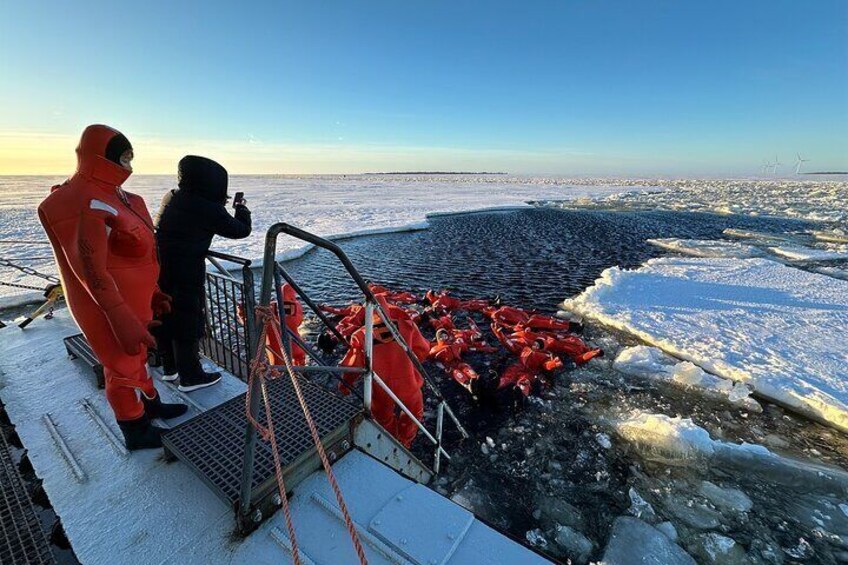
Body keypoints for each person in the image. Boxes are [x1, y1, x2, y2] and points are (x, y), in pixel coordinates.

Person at [37, 125, 187, 450]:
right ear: (99, 156)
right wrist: (120, 317)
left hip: (137, 301)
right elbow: (89, 271)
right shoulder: (73, 201)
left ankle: (150, 402)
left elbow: (142, 253)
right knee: (121, 366)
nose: (128, 165)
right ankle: (135, 428)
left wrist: (154, 291)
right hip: (107, 306)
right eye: (122, 157)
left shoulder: (124, 198)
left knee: (139, 358)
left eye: (131, 157)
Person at [154, 156, 251, 392]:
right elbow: (240, 230)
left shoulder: (173, 196)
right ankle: (191, 377)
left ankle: (170, 369)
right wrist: (242, 209)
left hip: (159, 268)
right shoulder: (206, 207)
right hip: (185, 271)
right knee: (187, 320)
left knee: (166, 315)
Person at [340, 296, 430, 447]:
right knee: (412, 416)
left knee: (383, 418)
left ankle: (389, 442)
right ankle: (405, 442)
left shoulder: (361, 335)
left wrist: (345, 386)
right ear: (387, 310)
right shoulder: (407, 326)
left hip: (381, 389)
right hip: (409, 384)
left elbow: (353, 366)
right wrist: (411, 364)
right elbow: (423, 350)